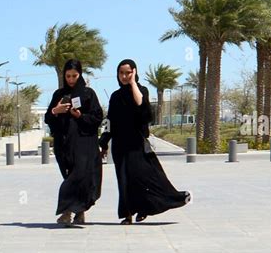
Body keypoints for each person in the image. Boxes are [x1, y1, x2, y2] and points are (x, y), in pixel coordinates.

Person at [99, 59, 190, 224]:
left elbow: (144, 110)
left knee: (145, 177)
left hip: (137, 144)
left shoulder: (141, 91)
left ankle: (147, 206)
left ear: (134, 72)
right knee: (124, 179)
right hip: (120, 145)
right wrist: (103, 143)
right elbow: (110, 122)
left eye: (128, 73)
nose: (124, 76)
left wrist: (133, 83)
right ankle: (127, 214)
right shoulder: (115, 96)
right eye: (121, 73)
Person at [45, 59, 103, 226]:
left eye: (74, 76)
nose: (71, 79)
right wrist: (56, 111)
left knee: (78, 177)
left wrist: (80, 116)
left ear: (80, 75)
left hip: (84, 145)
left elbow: (97, 117)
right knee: (70, 176)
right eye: (68, 76)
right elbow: (49, 118)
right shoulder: (58, 95)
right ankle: (80, 211)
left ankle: (67, 211)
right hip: (64, 145)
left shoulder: (88, 94)